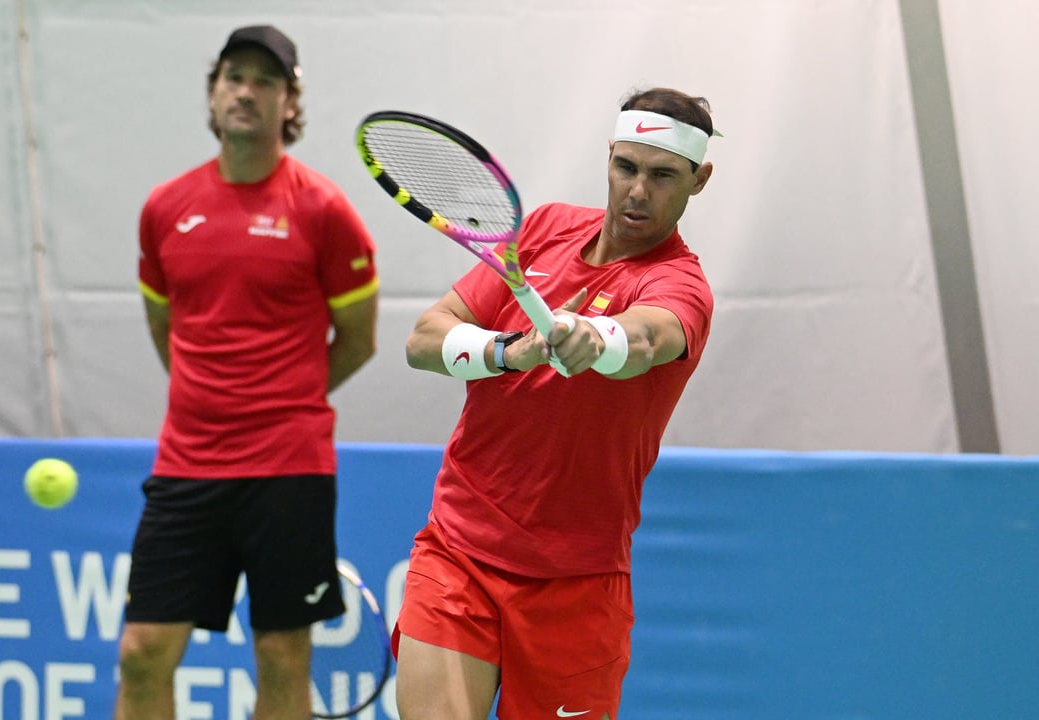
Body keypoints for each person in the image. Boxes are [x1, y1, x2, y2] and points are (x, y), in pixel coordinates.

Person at [393, 87, 718, 720]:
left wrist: (596, 339)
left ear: (698, 180)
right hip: (460, 547)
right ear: (608, 157)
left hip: (578, 580)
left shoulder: (681, 284)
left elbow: (648, 339)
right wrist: (512, 351)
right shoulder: (540, 232)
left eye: (662, 176)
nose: (637, 191)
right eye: (626, 167)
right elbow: (423, 339)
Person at [114, 24, 379, 720]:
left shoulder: (324, 211)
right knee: (142, 651)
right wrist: (213, 399)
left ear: (289, 102)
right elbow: (163, 327)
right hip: (186, 466)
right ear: (212, 92)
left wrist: (281, 399)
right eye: (234, 76)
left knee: (284, 657)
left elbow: (357, 340)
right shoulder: (164, 209)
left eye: (266, 81)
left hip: (289, 467)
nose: (247, 91)